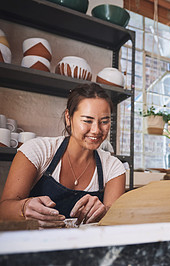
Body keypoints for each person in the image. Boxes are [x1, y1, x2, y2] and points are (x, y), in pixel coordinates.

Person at [0, 83, 126, 228]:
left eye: (104, 121)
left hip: (83, 248)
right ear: (68, 117)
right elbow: (3, 209)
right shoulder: (38, 151)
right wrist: (23, 208)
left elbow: (115, 220)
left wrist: (105, 211)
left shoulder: (113, 167)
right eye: (87, 121)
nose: (96, 130)